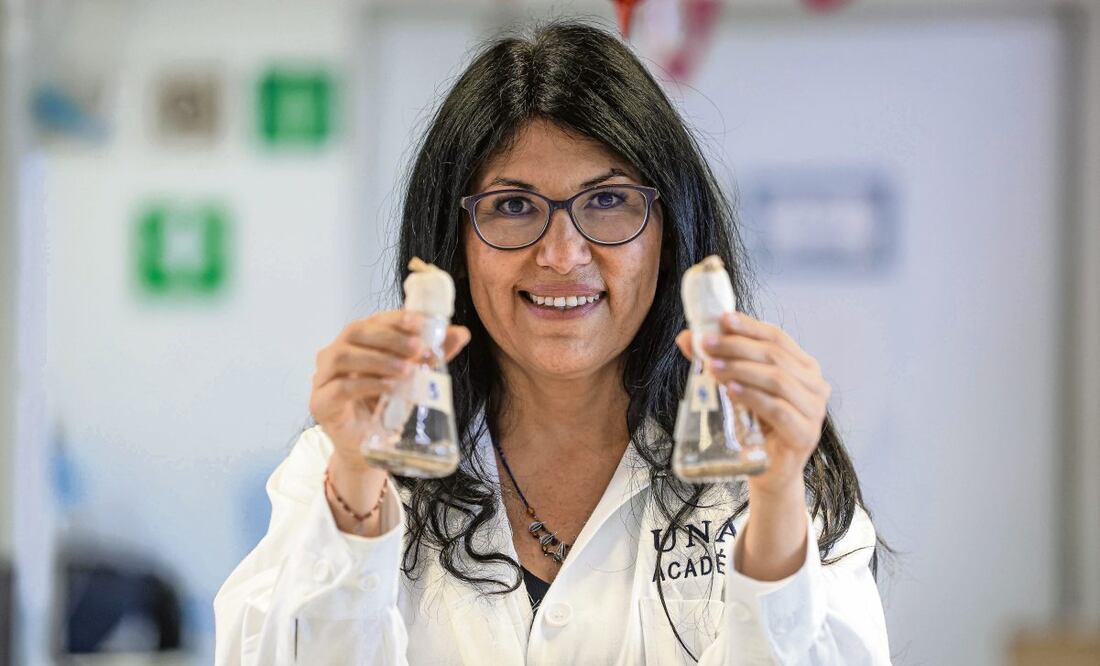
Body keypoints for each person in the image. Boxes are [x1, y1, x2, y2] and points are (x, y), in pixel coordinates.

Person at [214, 19, 891, 665]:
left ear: (671, 231)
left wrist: (774, 506)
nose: (563, 254)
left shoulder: (778, 465)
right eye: (512, 206)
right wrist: (358, 493)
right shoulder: (342, 467)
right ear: (454, 246)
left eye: (607, 201)